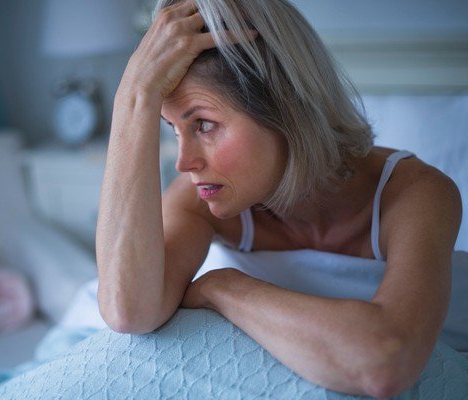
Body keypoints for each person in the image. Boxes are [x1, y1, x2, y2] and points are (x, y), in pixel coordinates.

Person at [95, 0, 462, 397]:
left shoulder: (414, 193)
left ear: (286, 109)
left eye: (204, 124)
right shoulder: (199, 199)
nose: (185, 162)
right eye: (172, 128)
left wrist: (224, 286)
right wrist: (133, 94)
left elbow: (385, 363)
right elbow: (128, 311)